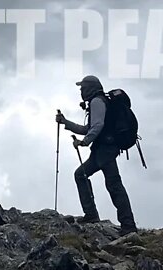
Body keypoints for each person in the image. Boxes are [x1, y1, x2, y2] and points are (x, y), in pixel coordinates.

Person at [55, 75, 137, 236]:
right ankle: (125, 223)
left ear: (89, 88)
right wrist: (66, 123)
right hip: (105, 149)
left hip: (104, 149)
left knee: (103, 181)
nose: (81, 91)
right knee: (108, 182)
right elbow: (89, 128)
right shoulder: (101, 101)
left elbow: (96, 126)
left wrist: (84, 142)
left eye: (82, 88)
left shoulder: (96, 102)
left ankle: (112, 220)